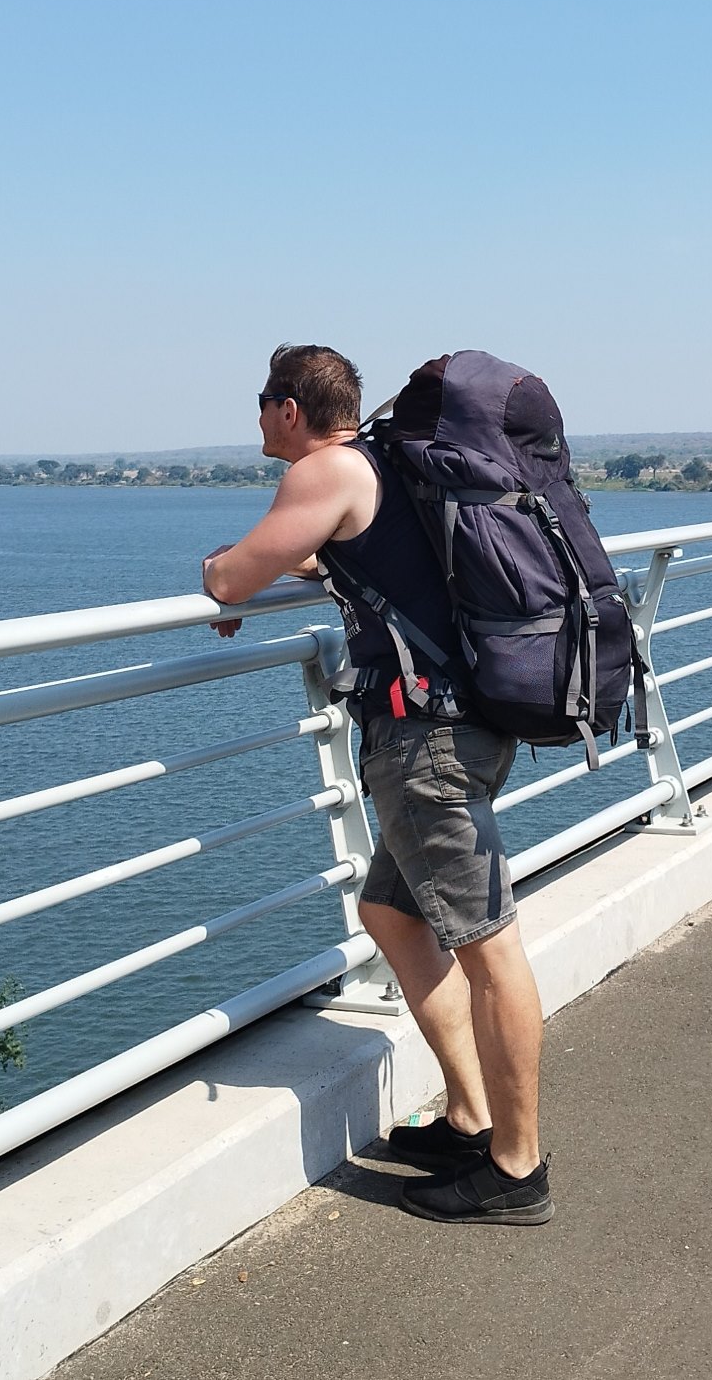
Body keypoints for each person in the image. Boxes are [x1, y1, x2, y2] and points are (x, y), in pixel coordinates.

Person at [200, 342, 552, 1226]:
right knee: (391, 913)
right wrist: (283, 563)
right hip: (465, 724)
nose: (258, 418)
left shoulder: (323, 470)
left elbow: (231, 576)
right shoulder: (382, 465)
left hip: (425, 743)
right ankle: (471, 1118)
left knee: (490, 947)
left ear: (289, 408)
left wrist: (220, 570)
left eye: (262, 402)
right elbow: (347, 558)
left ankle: (518, 1167)